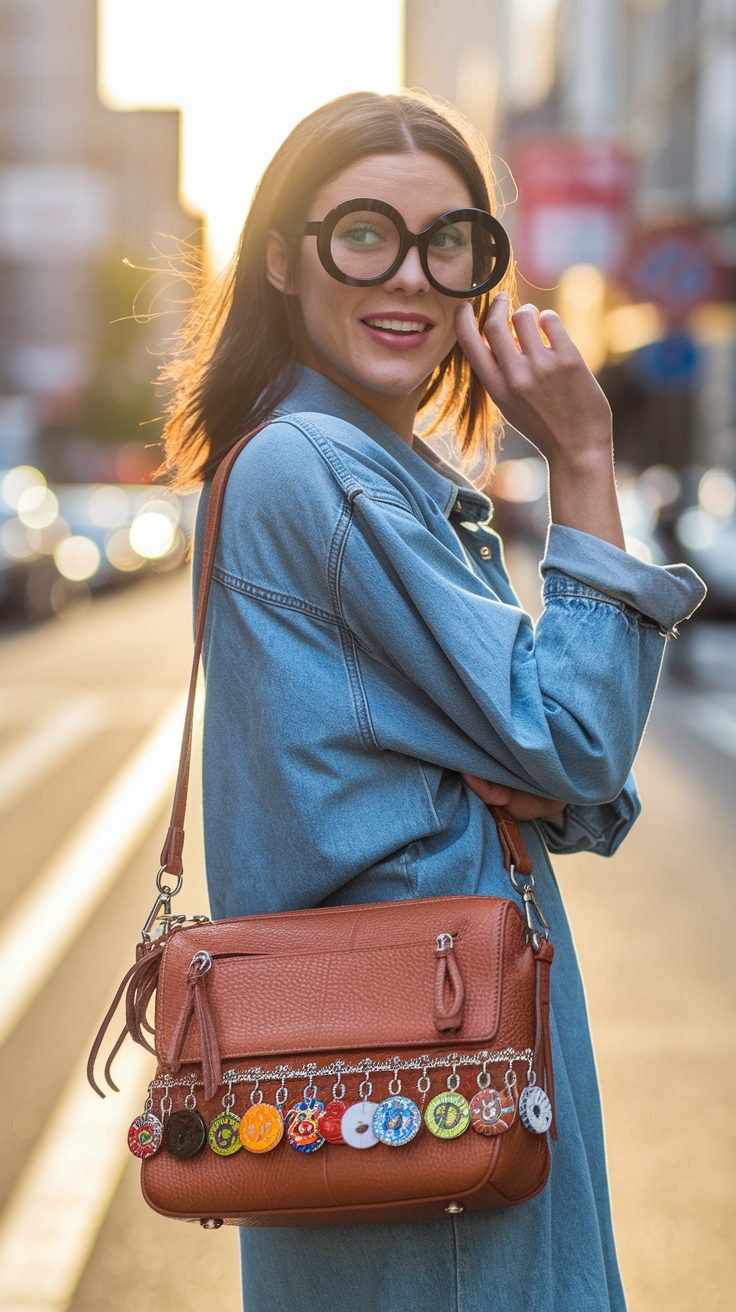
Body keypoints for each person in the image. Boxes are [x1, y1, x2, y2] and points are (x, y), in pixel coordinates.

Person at [161, 91, 705, 1312]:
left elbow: (565, 772)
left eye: (448, 241)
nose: (409, 275)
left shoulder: (370, 470)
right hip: (420, 1059)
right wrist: (582, 457)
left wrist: (529, 764)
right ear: (283, 258)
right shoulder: (322, 469)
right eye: (365, 233)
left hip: (418, 1060)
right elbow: (574, 740)